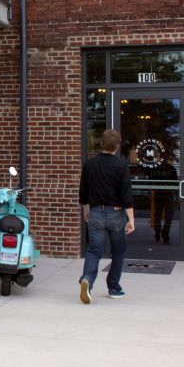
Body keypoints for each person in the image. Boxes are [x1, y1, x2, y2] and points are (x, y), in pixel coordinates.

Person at [78, 129, 135, 304]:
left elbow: (84, 192)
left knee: (94, 250)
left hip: (95, 212)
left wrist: (86, 211)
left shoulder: (90, 164)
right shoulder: (121, 166)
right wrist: (131, 219)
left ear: (101, 144)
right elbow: (126, 195)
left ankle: (87, 279)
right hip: (116, 214)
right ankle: (114, 288)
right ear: (117, 146)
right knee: (118, 251)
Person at [150, 154, 178, 244]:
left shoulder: (155, 168)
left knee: (157, 214)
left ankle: (158, 231)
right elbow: (176, 183)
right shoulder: (171, 169)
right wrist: (176, 195)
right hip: (168, 194)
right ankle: (165, 234)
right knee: (168, 215)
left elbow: (151, 181)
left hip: (158, 193)